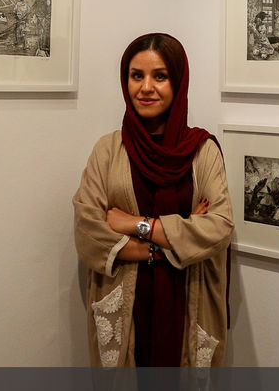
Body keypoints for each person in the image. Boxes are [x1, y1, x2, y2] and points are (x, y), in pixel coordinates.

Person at [73, 33, 233, 367]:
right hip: (126, 306)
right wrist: (174, 243)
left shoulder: (202, 151)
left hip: (188, 300)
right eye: (137, 76)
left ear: (178, 82)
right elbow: (88, 233)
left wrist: (135, 225)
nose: (146, 87)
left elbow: (218, 228)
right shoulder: (108, 150)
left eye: (160, 76)